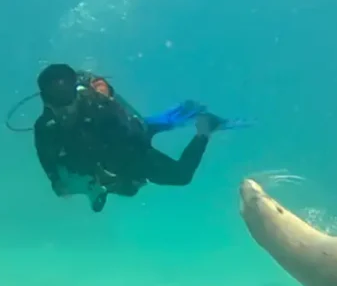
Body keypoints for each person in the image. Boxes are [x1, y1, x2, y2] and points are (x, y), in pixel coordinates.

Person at [33, 63, 227, 212]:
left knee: (181, 175)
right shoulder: (45, 127)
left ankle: (204, 129)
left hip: (130, 144)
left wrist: (118, 174)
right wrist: (57, 180)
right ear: (45, 100)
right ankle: (98, 187)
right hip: (104, 161)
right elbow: (47, 160)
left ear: (75, 93)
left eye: (66, 97)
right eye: (56, 99)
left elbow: (133, 133)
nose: (64, 108)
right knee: (125, 189)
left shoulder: (97, 104)